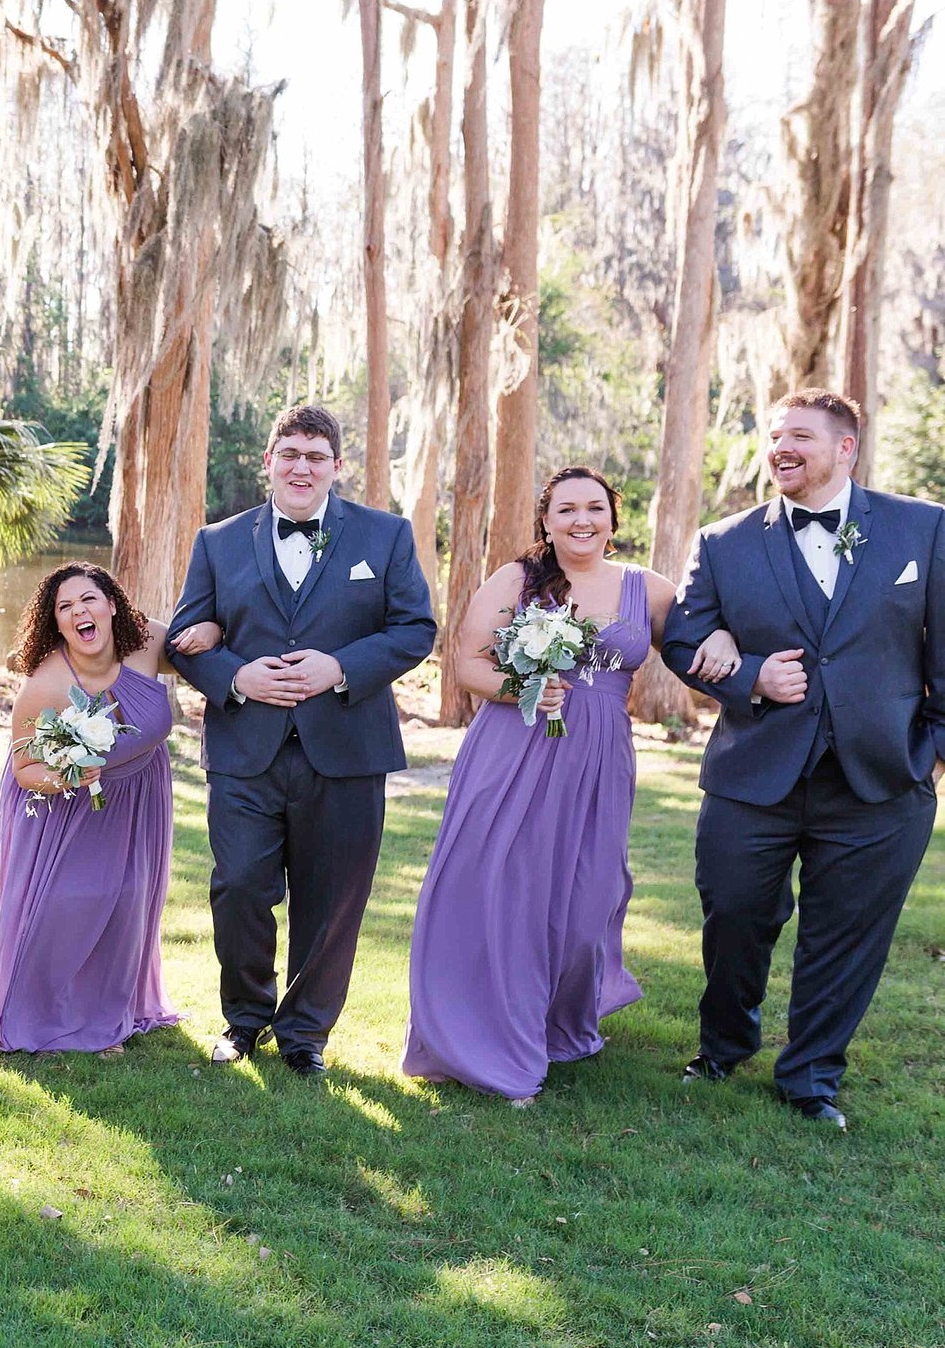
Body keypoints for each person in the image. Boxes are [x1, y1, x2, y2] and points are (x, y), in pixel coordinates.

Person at [660, 390, 945, 1129]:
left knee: (846, 935)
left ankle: (811, 1076)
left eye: (800, 438)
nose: (781, 448)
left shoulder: (924, 529)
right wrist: (750, 673)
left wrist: (931, 752)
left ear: (845, 448)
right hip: (755, 772)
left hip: (882, 779)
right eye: (774, 436)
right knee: (733, 911)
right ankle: (723, 1046)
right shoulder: (725, 541)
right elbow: (683, 640)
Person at [401, 468, 698, 1103]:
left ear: (614, 519)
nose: (581, 520)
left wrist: (729, 645)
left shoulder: (648, 589)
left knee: (590, 898)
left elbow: (702, 639)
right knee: (501, 888)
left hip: (598, 758)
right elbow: (468, 663)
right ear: (547, 520)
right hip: (514, 748)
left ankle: (557, 1022)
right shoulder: (517, 580)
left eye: (594, 508)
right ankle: (487, 1036)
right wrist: (525, 686)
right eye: (566, 509)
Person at [165, 403, 437, 1078]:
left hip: (346, 749)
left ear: (336, 467)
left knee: (332, 898)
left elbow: (414, 630)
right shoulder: (217, 541)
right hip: (245, 751)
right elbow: (185, 638)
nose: (301, 466)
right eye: (289, 453)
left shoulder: (387, 536)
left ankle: (305, 1034)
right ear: (268, 461)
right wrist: (238, 676)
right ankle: (244, 1019)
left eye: (316, 456)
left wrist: (339, 668)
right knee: (238, 888)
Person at [0, 562, 182, 1056]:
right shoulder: (45, 685)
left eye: (88, 599)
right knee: (72, 903)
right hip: (67, 808)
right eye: (64, 607)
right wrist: (68, 775)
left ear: (112, 604)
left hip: (141, 796)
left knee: (130, 900)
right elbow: (24, 768)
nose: (78, 612)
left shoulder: (150, 640)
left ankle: (108, 1014)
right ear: (56, 622)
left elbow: (202, 657)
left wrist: (214, 632)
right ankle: (41, 1012)